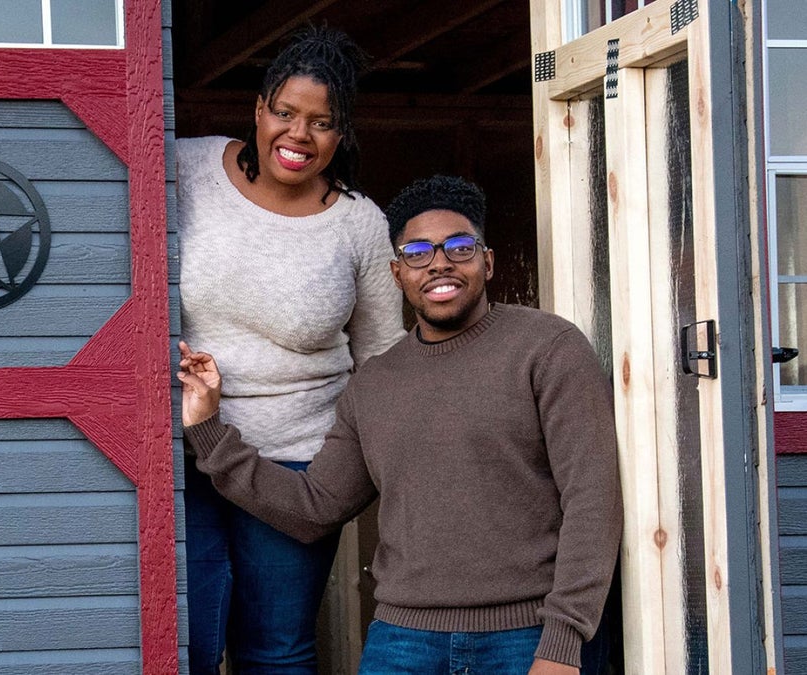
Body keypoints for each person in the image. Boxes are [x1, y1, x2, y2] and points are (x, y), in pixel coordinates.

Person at [178, 175, 623, 674]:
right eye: (417, 252)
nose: (439, 263)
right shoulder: (375, 384)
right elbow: (315, 506)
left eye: (460, 247)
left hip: (528, 635)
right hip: (403, 642)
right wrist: (210, 432)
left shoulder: (548, 348)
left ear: (488, 262)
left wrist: (564, 640)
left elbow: (592, 499)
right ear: (396, 273)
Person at [175, 25, 405, 675]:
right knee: (186, 641)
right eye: (285, 112)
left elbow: (383, 360)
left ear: (342, 133)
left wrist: (358, 471)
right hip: (178, 454)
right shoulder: (186, 169)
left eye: (322, 122)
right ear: (258, 110)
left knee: (276, 651)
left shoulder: (359, 223)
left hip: (296, 466)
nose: (299, 134)